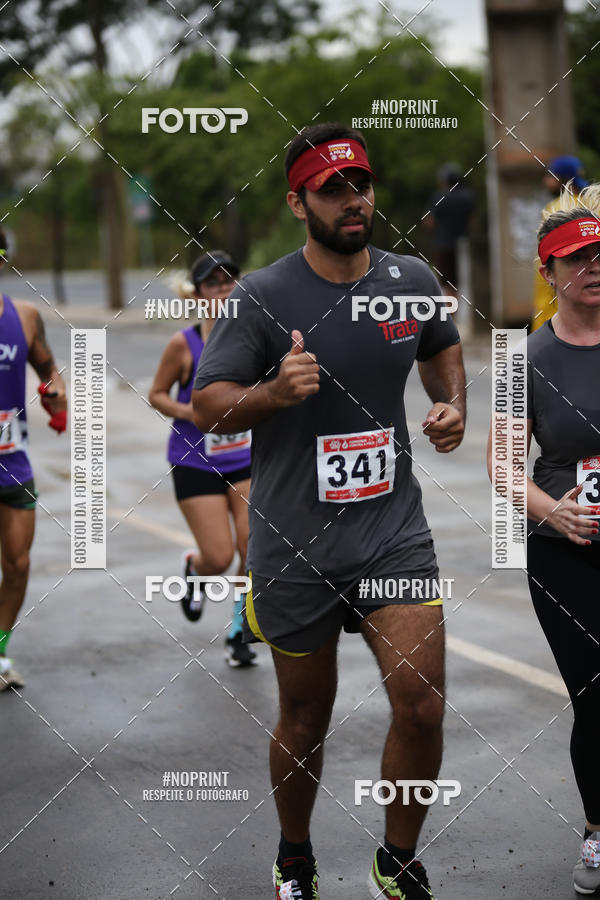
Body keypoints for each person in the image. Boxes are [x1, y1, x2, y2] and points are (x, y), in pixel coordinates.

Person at [193, 123, 466, 899]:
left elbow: (440, 342)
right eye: (333, 189)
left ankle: (398, 857)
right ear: (297, 202)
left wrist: (452, 405)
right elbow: (208, 406)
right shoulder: (260, 297)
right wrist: (273, 394)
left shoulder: (411, 276)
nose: (354, 201)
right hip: (294, 545)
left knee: (422, 702)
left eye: (362, 185)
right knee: (306, 719)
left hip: (393, 536)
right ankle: (294, 853)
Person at [488, 184, 600, 895]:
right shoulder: (521, 361)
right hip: (567, 554)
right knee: (596, 695)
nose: (593, 266)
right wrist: (550, 512)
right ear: (548, 271)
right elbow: (500, 463)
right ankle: (598, 831)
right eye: (577, 257)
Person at [149, 250, 255, 667]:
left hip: (244, 459)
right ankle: (195, 571)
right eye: (214, 283)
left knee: (253, 551)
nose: (224, 289)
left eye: (231, 281)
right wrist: (192, 413)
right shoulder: (185, 343)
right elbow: (157, 394)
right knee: (219, 556)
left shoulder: (253, 338)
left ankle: (238, 631)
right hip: (195, 462)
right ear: (197, 294)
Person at [0, 226, 67, 690]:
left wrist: (55, 396)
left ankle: (0, 649)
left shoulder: (22, 317)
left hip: (12, 459)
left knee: (18, 563)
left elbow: (46, 367)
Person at [531, 155, 589, 331]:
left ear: (563, 179)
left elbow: (547, 257)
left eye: (550, 175)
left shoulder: (555, 209)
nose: (545, 180)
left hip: (557, 300)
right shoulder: (594, 202)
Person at [423, 162, 475, 295]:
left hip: (443, 246)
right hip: (464, 246)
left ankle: (451, 315)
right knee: (463, 281)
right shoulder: (468, 196)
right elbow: (472, 221)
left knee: (447, 284)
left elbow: (430, 222)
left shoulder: (439, 197)